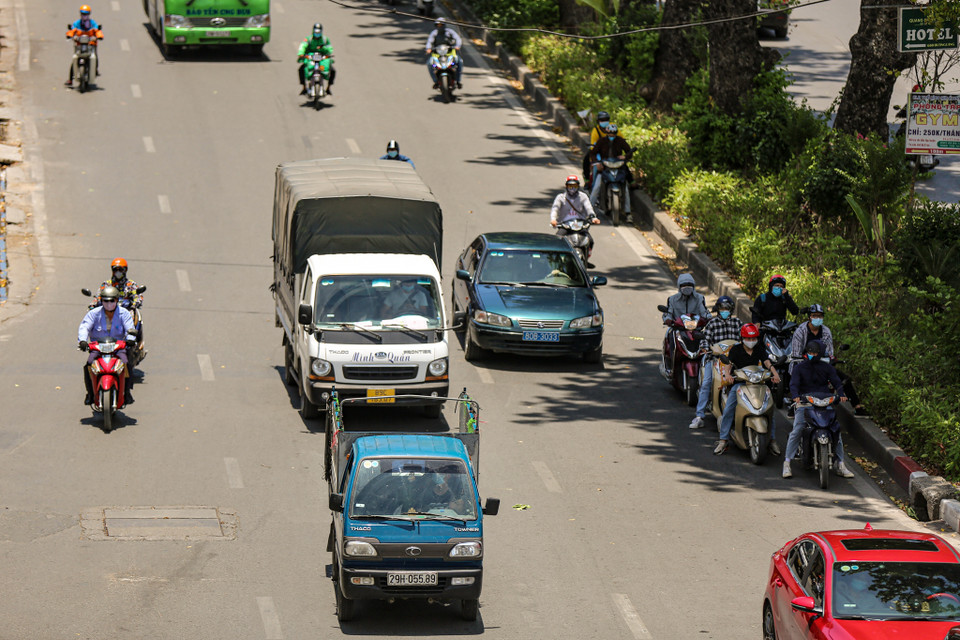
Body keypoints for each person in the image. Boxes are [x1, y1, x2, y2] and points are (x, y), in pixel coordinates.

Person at [785, 339, 855, 478]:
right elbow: (794, 384)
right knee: (798, 429)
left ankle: (841, 464)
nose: (812, 354)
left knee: (836, 431)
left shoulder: (827, 368)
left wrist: (841, 395)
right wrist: (795, 396)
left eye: (815, 352)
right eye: (810, 352)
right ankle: (787, 463)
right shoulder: (799, 368)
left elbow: (837, 382)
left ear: (820, 353)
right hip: (805, 403)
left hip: (824, 402)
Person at [714, 323, 781, 455]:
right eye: (748, 339)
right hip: (740, 383)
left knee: (769, 409)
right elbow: (729, 364)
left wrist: (775, 373)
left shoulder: (759, 348)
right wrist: (728, 375)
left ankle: (772, 440)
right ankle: (723, 440)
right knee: (729, 409)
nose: (751, 342)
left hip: (758, 383)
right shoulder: (735, 350)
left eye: (753, 339)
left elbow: (767, 362)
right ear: (742, 338)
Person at [789, 304, 867, 416]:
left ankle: (857, 406)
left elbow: (830, 353)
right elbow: (796, 354)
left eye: (820, 316)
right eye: (814, 316)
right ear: (809, 317)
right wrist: (809, 358)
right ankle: (795, 404)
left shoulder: (826, 331)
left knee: (843, 379)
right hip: (804, 363)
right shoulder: (800, 331)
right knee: (798, 381)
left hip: (822, 364)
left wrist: (828, 361)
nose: (817, 318)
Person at [689, 296, 742, 429]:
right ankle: (699, 416)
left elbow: (744, 339)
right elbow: (704, 339)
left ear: (731, 310)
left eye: (727, 309)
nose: (724, 311)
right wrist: (706, 348)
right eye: (722, 309)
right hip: (714, 359)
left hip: (734, 360)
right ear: (718, 310)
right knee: (707, 382)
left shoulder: (737, 323)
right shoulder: (712, 324)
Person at [78, 286, 136, 404]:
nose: (108, 304)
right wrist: (83, 341)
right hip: (98, 347)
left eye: (111, 301)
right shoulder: (93, 314)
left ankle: (127, 392)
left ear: (116, 300)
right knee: (89, 364)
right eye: (105, 301)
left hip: (117, 347)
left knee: (126, 363)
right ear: (101, 301)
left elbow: (130, 327)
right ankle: (90, 393)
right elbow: (84, 326)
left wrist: (130, 339)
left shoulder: (124, 314)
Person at [550, 175, 600, 267]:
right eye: (570, 186)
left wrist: (593, 218)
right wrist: (553, 219)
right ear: (566, 186)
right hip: (565, 225)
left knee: (591, 240)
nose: (572, 188)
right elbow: (555, 209)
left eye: (575, 186)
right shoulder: (560, 197)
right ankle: (556, 260)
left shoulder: (583, 196)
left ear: (578, 186)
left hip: (580, 224)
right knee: (557, 240)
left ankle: (586, 258)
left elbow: (589, 208)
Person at [589, 123, 634, 215]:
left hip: (618, 168)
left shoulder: (620, 141)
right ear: (607, 133)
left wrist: (625, 156)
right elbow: (593, 153)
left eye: (613, 134)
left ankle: (628, 212)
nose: (611, 136)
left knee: (625, 188)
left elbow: (629, 151)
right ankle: (589, 210)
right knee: (596, 187)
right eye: (610, 133)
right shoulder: (601, 141)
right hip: (604, 168)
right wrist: (597, 163)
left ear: (616, 133)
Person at [65, 5, 103, 87]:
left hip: (90, 45)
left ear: (89, 14)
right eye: (82, 14)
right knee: (74, 59)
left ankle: (95, 70)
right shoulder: (77, 23)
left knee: (95, 57)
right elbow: (72, 30)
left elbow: (97, 31)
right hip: (79, 45)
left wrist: (99, 36)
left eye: (86, 14)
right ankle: (70, 80)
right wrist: (69, 35)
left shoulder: (92, 24)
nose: (84, 16)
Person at [298, 23, 335, 95]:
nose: (317, 34)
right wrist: (301, 53)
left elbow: (330, 49)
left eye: (318, 32)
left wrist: (323, 48)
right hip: (311, 56)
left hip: (322, 57)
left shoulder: (325, 39)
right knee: (301, 69)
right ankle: (304, 87)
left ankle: (328, 88)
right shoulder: (308, 39)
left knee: (333, 70)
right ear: (313, 31)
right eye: (316, 32)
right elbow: (303, 46)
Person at [425, 18, 463, 89]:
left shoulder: (450, 32)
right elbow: (429, 41)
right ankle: (436, 81)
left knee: (459, 61)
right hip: (437, 53)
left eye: (441, 25)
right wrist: (428, 49)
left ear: (444, 25)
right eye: (438, 25)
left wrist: (458, 46)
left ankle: (458, 81)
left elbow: (458, 38)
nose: (440, 26)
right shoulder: (434, 33)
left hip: (450, 52)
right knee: (430, 63)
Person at [582, 111, 611, 188]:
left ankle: (631, 181)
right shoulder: (595, 131)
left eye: (606, 119)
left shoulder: (613, 128)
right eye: (602, 120)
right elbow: (593, 148)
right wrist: (593, 161)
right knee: (586, 159)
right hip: (598, 151)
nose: (604, 122)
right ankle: (587, 180)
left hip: (612, 150)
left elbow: (621, 139)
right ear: (598, 121)